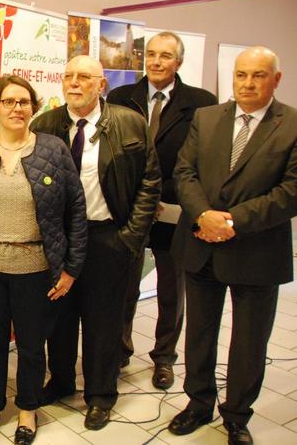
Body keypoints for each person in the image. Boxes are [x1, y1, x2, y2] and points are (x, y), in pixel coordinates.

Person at [168, 46, 296, 445]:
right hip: (201, 244)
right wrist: (203, 214)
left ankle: (237, 415)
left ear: (275, 80)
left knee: (249, 341)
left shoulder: (292, 125)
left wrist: (232, 221)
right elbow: (184, 171)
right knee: (199, 333)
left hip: (257, 251)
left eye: (258, 75)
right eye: (241, 74)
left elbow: (291, 191)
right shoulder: (207, 118)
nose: (248, 83)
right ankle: (198, 403)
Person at [30, 55, 160, 430]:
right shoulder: (47, 125)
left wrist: (130, 238)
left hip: (108, 238)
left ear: (100, 85)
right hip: (61, 240)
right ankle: (61, 380)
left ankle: (101, 394)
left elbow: (150, 182)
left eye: (84, 77)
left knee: (104, 321)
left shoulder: (129, 123)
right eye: (68, 76)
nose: (74, 83)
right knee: (60, 315)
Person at [0, 75, 87, 445]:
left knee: (32, 346)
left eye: (25, 102)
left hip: (37, 271)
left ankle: (28, 409)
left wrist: (71, 269)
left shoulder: (53, 149)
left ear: (34, 107)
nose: (18, 108)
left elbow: (75, 210)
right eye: (9, 102)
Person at [106, 31, 217, 389]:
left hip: (174, 207)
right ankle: (120, 350)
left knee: (171, 289)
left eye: (165, 56)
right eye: (151, 54)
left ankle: (164, 357)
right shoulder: (122, 97)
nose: (156, 61)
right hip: (130, 208)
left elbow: (200, 159)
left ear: (178, 62)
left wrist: (169, 195)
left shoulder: (201, 102)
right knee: (124, 285)